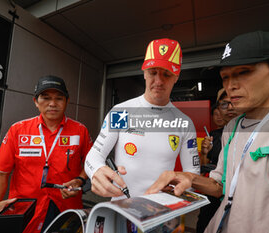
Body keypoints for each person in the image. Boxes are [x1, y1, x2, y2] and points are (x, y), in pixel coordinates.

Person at [146, 31, 269, 233]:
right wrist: (190, 178)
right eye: (225, 77)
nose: (230, 86)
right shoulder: (232, 127)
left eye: (243, 72)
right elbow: (221, 186)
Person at [84, 38, 200, 199]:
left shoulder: (185, 123)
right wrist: (96, 170)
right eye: (153, 72)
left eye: (166, 74)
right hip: (121, 209)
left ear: (176, 76)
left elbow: (192, 175)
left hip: (163, 213)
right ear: (144, 72)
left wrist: (181, 190)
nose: (159, 81)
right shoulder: (121, 111)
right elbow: (94, 156)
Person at [0, 75, 93, 233]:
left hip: (67, 207)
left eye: (59, 98)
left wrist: (79, 180)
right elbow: (1, 173)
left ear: (67, 101)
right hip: (27, 209)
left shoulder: (80, 130)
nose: (52, 104)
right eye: (46, 98)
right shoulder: (18, 130)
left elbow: (92, 163)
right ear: (35, 101)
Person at [198, 89, 237, 233]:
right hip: (214, 188)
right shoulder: (215, 136)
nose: (229, 108)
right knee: (204, 223)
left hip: (234, 196)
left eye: (232, 103)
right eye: (224, 105)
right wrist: (204, 152)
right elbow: (204, 164)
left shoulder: (242, 130)